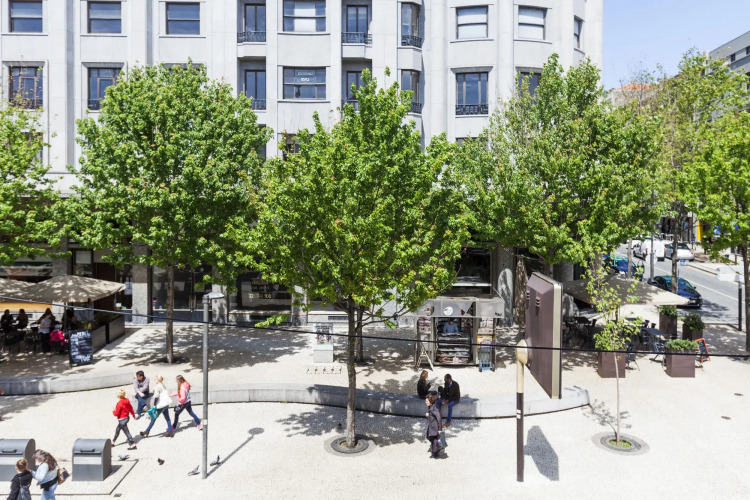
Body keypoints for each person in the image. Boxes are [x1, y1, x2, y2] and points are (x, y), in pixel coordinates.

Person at [425, 393, 443, 458]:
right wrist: (428, 414)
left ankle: (435, 454)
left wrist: (440, 429)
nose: (426, 402)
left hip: (434, 427)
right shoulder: (430, 406)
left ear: (430, 401)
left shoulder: (435, 409)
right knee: (428, 436)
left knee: (434, 440)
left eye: (427, 401)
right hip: (431, 425)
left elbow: (439, 418)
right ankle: (437, 447)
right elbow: (430, 412)